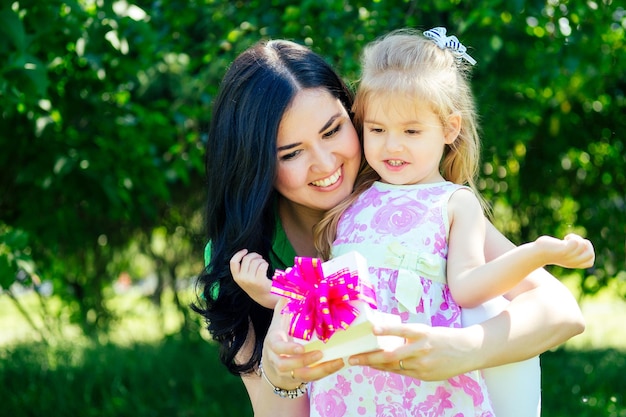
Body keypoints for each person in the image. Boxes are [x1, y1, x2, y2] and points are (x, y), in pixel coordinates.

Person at [192, 36, 588, 417]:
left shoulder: (408, 195)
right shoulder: (240, 260)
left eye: (333, 131)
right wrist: (281, 375)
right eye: (292, 153)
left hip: (439, 396)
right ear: (256, 165)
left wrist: (463, 350)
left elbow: (560, 309)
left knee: (485, 307)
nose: (325, 163)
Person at [307, 27, 594, 416]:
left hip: (425, 383)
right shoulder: (355, 199)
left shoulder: (454, 203)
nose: (392, 145)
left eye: (411, 130)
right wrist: (268, 292)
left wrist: (536, 253)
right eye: (376, 130)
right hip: (352, 384)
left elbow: (468, 287)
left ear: (449, 129)